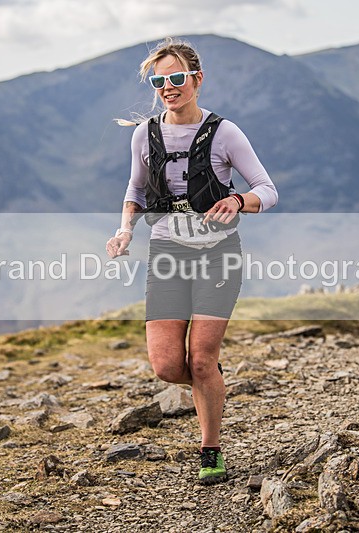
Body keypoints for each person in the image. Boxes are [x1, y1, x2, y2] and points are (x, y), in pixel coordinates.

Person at [106, 37, 278, 484]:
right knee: (167, 366)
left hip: (218, 256)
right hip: (166, 255)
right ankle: (211, 380)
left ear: (197, 79)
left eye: (177, 77)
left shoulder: (225, 133)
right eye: (159, 81)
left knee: (200, 359)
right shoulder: (144, 134)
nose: (168, 87)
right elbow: (135, 190)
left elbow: (268, 190)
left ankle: (210, 449)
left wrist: (238, 200)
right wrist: (125, 230)